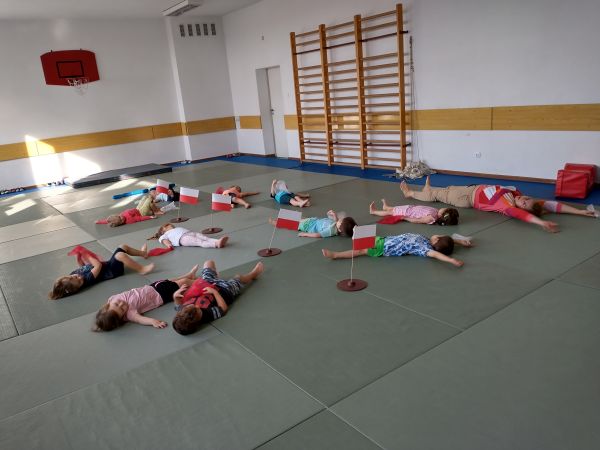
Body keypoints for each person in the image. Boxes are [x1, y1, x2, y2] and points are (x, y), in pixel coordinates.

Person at [400, 177, 562, 233]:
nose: (524, 199)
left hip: (466, 197)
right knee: (445, 190)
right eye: (527, 198)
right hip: (470, 190)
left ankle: (411, 193)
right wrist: (576, 211)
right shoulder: (515, 194)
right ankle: (427, 190)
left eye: (524, 203)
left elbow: (523, 215)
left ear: (521, 207)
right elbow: (547, 204)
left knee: (438, 195)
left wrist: (541, 222)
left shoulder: (508, 206)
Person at [93, 265, 199, 331]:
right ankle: (200, 282)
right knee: (183, 283)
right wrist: (154, 322)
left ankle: (189, 275)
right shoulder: (130, 314)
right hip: (161, 295)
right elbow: (141, 320)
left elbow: (108, 310)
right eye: (122, 309)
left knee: (171, 280)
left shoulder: (111, 299)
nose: (121, 304)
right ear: (122, 316)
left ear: (108, 305)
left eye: (116, 304)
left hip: (151, 287)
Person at [172, 260, 264, 335]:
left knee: (208, 263)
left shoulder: (183, 310)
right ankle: (253, 274)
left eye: (191, 305)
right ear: (198, 319)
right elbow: (223, 308)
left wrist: (176, 296)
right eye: (197, 309)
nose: (196, 305)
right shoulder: (207, 315)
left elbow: (178, 304)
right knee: (239, 277)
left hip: (207, 283)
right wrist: (214, 292)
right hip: (225, 290)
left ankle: (215, 276)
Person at [49, 244, 154, 300]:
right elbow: (98, 265)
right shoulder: (88, 280)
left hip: (108, 264)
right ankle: (141, 269)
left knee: (123, 246)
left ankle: (143, 253)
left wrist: (79, 257)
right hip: (112, 270)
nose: (78, 276)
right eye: (78, 281)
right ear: (78, 287)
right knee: (120, 255)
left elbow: (82, 267)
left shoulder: (74, 276)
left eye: (74, 276)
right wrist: (88, 256)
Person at [322, 233, 472, 267]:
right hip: (383, 240)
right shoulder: (426, 240)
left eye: (438, 236)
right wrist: (459, 241)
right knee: (360, 237)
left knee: (360, 251)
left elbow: (436, 254)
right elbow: (443, 242)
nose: (436, 235)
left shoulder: (424, 248)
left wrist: (451, 260)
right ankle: (351, 233)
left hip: (382, 247)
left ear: (436, 241)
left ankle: (335, 255)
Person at [269, 210, 357, 238]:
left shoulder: (330, 231)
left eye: (341, 221)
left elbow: (317, 235)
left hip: (308, 226)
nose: (340, 220)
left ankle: (276, 223)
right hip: (313, 221)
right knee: (298, 219)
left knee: (292, 223)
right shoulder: (336, 227)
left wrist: (305, 234)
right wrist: (335, 216)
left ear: (340, 229)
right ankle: (281, 220)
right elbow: (335, 223)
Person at [369, 199, 459, 225]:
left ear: (442, 214)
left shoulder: (431, 218)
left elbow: (418, 220)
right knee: (395, 209)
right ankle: (386, 207)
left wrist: (405, 218)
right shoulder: (436, 211)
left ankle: (374, 212)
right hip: (410, 208)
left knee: (391, 213)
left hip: (407, 213)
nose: (444, 207)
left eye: (445, 209)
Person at [148, 223, 229, 249]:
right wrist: (168, 244)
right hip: (182, 239)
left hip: (190, 233)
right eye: (168, 225)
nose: (171, 225)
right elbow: (164, 240)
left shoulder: (176, 228)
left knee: (205, 238)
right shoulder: (165, 234)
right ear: (164, 229)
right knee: (200, 242)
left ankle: (218, 241)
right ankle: (216, 244)